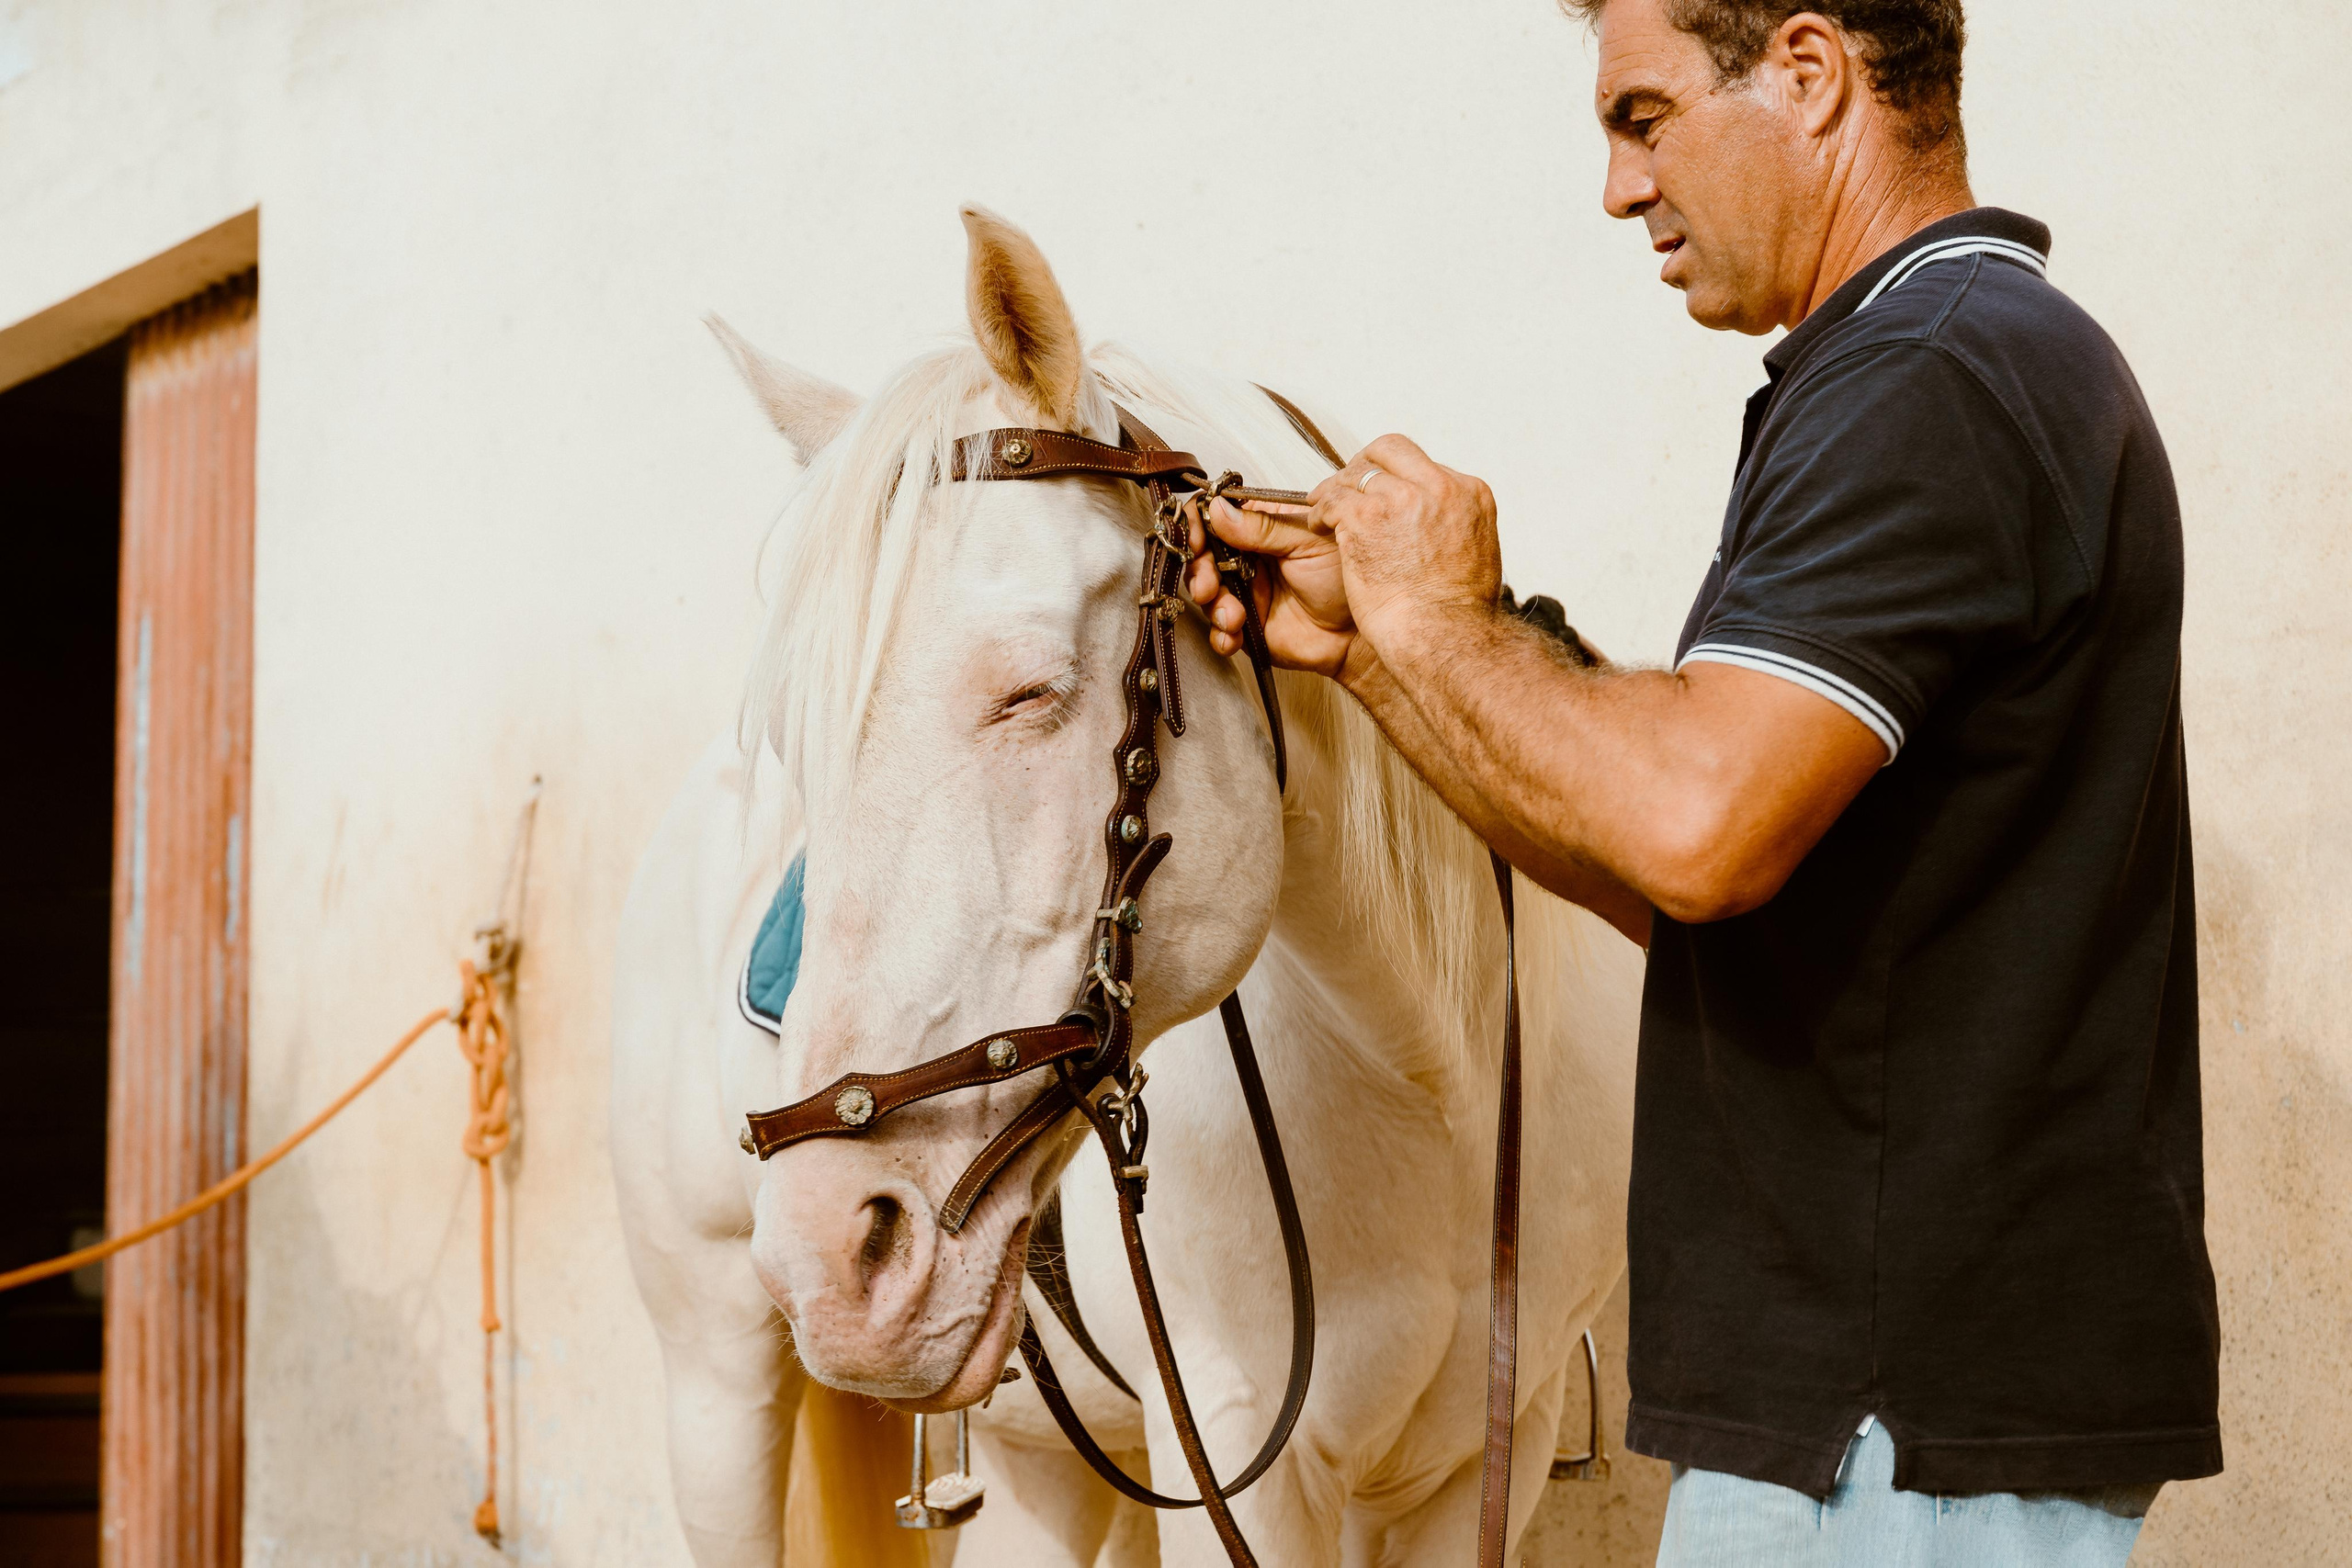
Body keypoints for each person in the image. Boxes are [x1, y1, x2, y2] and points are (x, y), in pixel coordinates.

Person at [1188, 1, 2219, 1562]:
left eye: (1643, 116)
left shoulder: (1935, 373)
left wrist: (1442, 613)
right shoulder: (1924, 366)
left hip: (1899, 1425)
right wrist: (1379, 659)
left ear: (1809, 75)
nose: (1617, 186)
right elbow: (1721, 890)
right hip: (1877, 1414)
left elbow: (1693, 830)